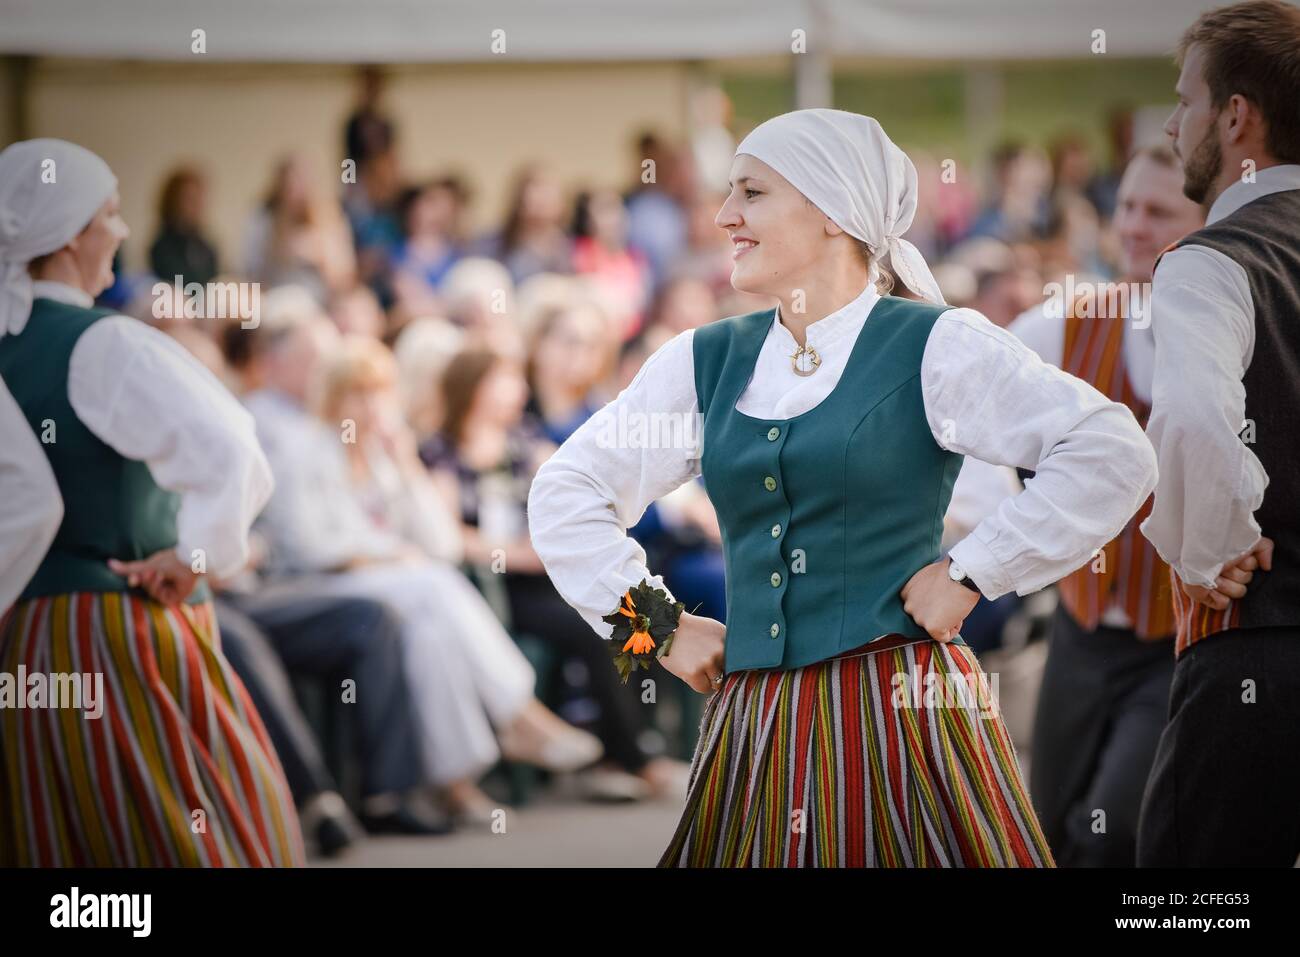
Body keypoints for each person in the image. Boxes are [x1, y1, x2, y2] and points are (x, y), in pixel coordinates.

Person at [529, 109, 1158, 867]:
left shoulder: (933, 344)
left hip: (909, 712)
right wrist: (654, 627)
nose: (726, 215)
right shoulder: (703, 360)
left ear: (831, 211)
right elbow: (564, 492)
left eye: (752, 193)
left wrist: (974, 571)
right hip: (757, 722)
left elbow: (1111, 449)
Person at [0, 139, 302, 866]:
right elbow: (233, 449)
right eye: (110, 213)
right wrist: (195, 552)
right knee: (180, 826)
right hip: (122, 627)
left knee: (59, 833)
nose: (123, 231)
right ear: (72, 233)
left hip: (30, 640)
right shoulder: (105, 345)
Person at [224, 292, 603, 822]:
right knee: (430, 583)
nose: (373, 408)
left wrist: (405, 465)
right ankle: (518, 715)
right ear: (334, 398)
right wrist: (387, 557)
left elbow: (442, 542)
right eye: (359, 395)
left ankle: (453, 782)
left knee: (427, 624)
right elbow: (311, 548)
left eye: (380, 394)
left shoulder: (384, 456)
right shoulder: (308, 448)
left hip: (390, 584)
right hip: (317, 585)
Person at [1002, 146, 1205, 866]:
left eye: (1159, 211)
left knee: (1114, 829)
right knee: (1044, 824)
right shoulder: (1065, 325)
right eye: (1126, 208)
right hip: (1082, 629)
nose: (1136, 226)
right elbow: (974, 410)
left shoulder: (1225, 329)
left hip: (1175, 641)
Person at [1137, 0, 1300, 867]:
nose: (1174, 122)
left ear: (1237, 115)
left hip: (1262, 647)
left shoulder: (1211, 260)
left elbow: (1195, 421)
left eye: (1187, 98)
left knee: (1192, 907)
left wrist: (1211, 551)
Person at [420, 346, 686, 800]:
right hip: (500, 587)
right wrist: (515, 552)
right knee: (596, 628)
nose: (516, 392)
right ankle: (630, 759)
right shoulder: (443, 452)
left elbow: (572, 488)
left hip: (550, 574)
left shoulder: (524, 441)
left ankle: (638, 745)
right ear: (474, 388)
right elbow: (450, 533)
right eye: (503, 382)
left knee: (639, 611)